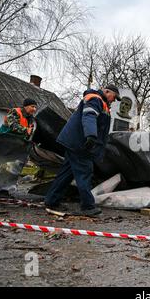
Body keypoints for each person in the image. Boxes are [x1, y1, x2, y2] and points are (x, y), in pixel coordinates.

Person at [44, 85, 121, 217]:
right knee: (85, 172)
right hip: (81, 144)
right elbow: (89, 116)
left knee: (66, 173)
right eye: (114, 97)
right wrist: (91, 135)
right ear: (107, 92)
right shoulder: (95, 99)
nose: (114, 100)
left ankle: (51, 200)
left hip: (75, 142)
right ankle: (88, 206)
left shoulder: (101, 103)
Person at [0, 98, 38, 197]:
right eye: (32, 106)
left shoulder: (31, 119)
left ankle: (3, 191)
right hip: (3, 142)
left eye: (35, 107)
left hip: (15, 145)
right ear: (26, 106)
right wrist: (26, 131)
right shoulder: (15, 112)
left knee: (10, 167)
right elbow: (13, 125)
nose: (34, 109)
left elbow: (29, 133)